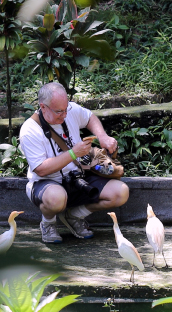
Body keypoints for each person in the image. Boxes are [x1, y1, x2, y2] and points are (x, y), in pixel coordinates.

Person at [20, 82, 129, 243]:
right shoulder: (29, 130)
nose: (64, 115)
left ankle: (74, 216)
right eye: (59, 111)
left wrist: (103, 137)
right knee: (56, 198)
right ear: (43, 107)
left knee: (121, 193)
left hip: (77, 178)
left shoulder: (69, 110)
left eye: (66, 109)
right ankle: (48, 223)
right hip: (47, 184)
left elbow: (89, 117)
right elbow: (41, 170)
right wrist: (72, 153)